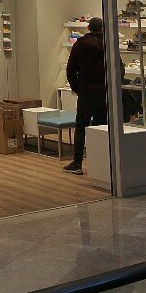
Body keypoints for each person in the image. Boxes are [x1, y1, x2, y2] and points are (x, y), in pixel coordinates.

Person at [63, 16, 111, 175]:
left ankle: (77, 163)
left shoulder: (80, 44)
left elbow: (71, 70)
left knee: (81, 127)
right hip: (105, 91)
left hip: (87, 91)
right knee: (102, 127)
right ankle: (103, 163)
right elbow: (119, 66)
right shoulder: (109, 42)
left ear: (88, 27)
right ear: (102, 28)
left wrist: (77, 88)